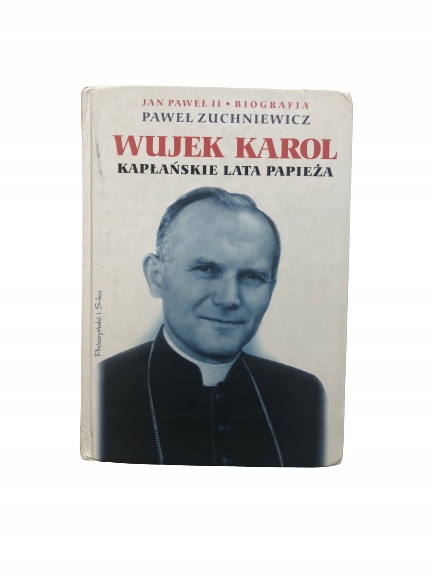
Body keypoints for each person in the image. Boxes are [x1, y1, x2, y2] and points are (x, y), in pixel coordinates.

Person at [99, 187, 326, 467]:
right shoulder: (102, 389)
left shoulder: (303, 396)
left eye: (251, 276)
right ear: (156, 276)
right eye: (206, 269)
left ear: (272, 287)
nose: (229, 298)